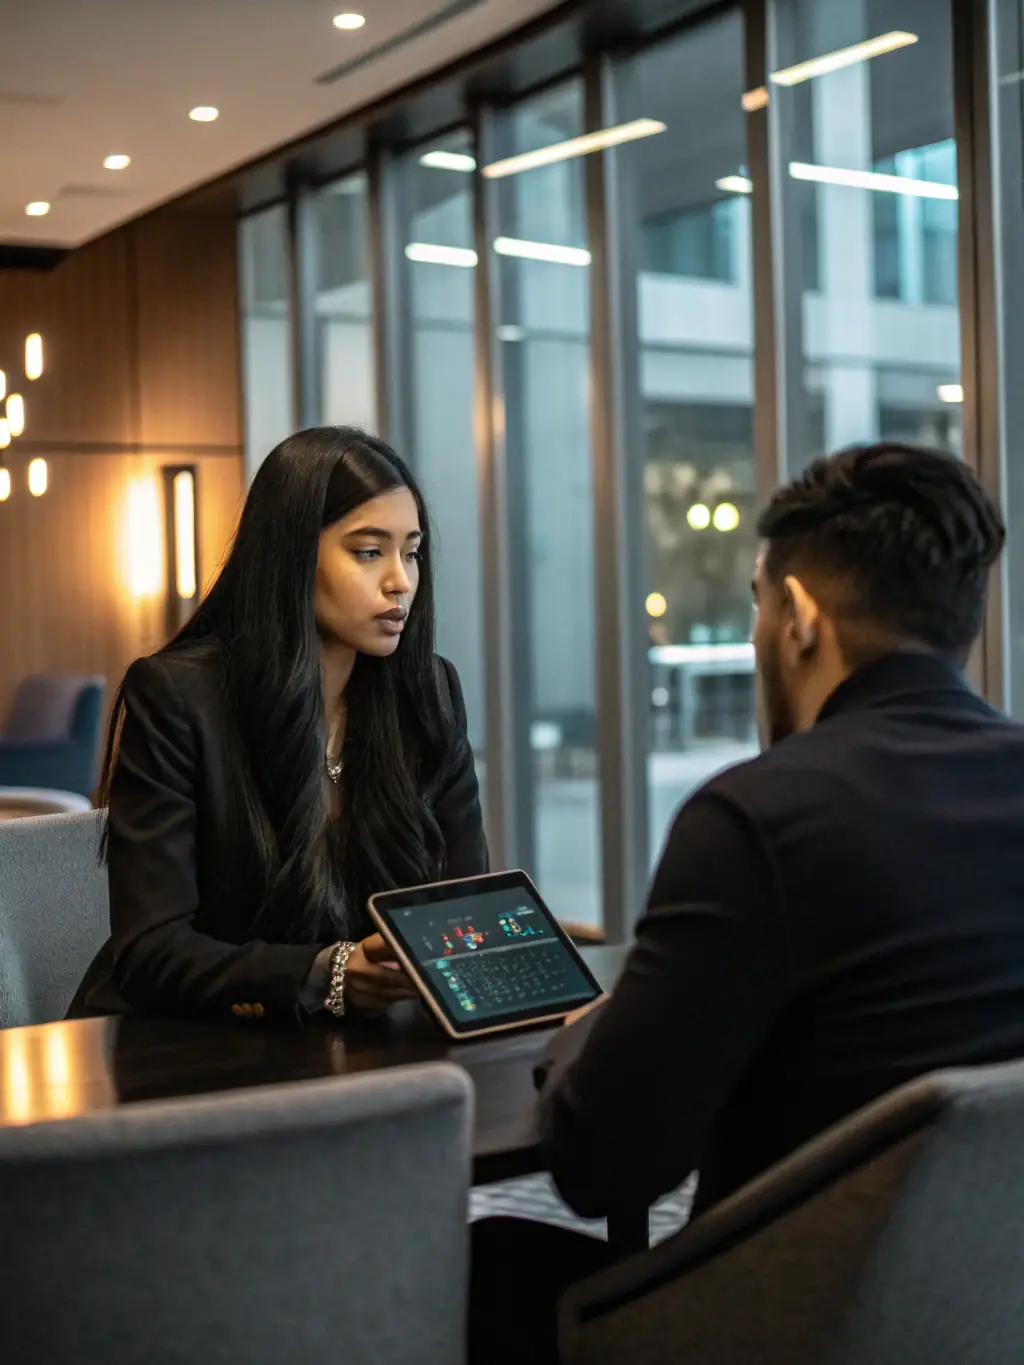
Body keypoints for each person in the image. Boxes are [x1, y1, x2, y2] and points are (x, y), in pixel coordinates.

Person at [470, 441, 1024, 1364]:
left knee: (486, 1258)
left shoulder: (760, 819)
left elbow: (602, 1161)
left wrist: (589, 1032)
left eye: (761, 604)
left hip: (787, 1319)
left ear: (800, 615)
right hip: (988, 1307)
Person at [70, 426, 488, 1021]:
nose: (401, 580)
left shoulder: (427, 691)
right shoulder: (179, 696)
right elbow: (151, 951)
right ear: (292, 554)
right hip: (184, 1049)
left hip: (360, 1048)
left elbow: (466, 904)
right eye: (369, 551)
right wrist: (327, 974)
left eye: (412, 551)